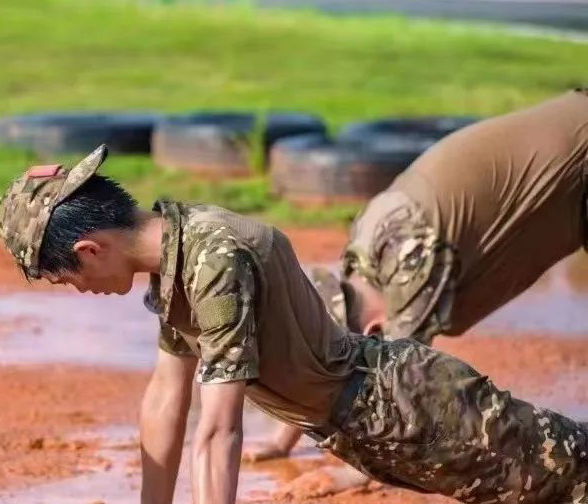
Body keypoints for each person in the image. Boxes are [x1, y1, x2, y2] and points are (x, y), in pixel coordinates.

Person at [0, 145, 588, 504]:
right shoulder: (175, 260)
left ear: (88, 250)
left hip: (412, 410)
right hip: (371, 428)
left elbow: (219, 429)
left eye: (66, 280)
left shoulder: (212, 259)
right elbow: (164, 392)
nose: (79, 292)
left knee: (573, 483)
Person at [247, 89, 588, 463]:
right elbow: (317, 354)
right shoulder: (363, 255)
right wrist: (282, 442)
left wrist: (357, 474)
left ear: (375, 329)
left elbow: (404, 390)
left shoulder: (410, 251)